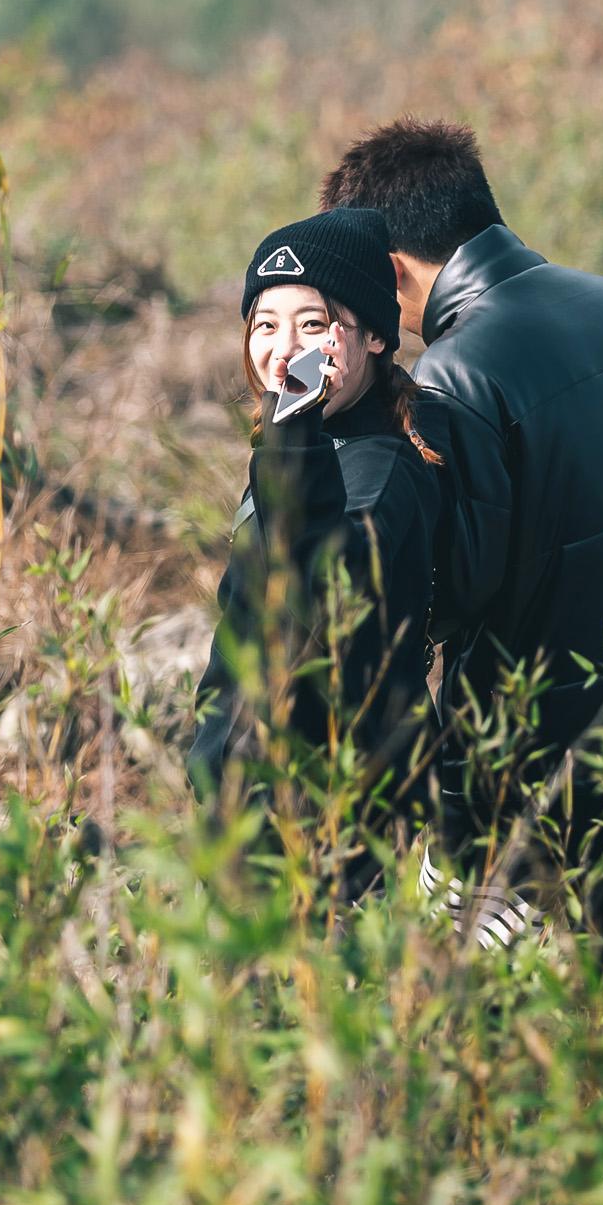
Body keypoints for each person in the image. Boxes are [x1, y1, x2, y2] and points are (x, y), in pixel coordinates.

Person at [316, 121, 603, 929]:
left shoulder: (454, 371)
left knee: (470, 974)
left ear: (389, 268)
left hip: (521, 762)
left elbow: (455, 599)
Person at [189, 207, 445, 871]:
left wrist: (295, 422)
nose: (282, 349)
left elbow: (320, 602)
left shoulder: (377, 469)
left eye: (311, 325)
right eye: (265, 325)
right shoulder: (304, 442)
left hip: (326, 829)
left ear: (374, 338)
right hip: (250, 813)